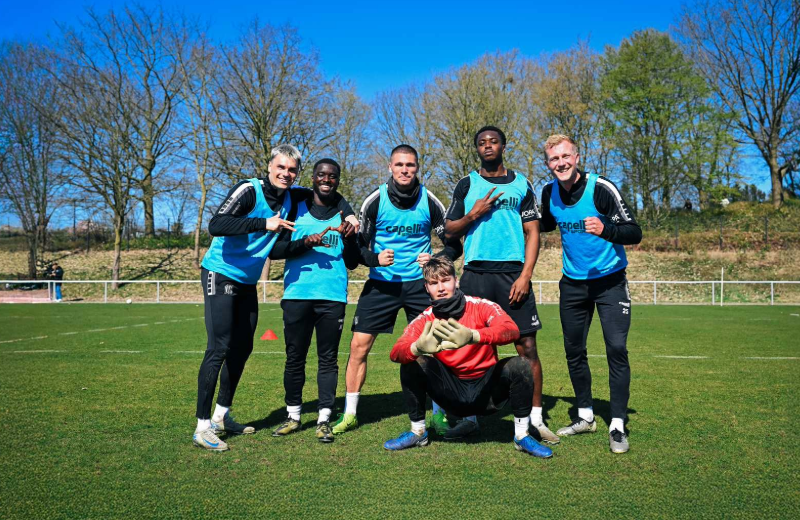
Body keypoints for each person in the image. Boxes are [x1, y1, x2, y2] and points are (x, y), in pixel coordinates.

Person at [193, 144, 356, 451]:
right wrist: (263, 223)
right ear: (269, 167)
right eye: (280, 167)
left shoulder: (293, 196)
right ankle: (202, 427)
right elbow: (216, 225)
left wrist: (349, 215)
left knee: (242, 348)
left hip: (247, 280)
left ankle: (221, 416)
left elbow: (330, 192)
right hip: (220, 272)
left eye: (292, 170)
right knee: (219, 347)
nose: (286, 174)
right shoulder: (249, 190)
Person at [331, 144, 463, 435]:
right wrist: (374, 258)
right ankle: (350, 413)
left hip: (420, 287)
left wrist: (437, 258)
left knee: (434, 348)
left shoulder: (430, 201)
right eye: (400, 165)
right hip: (381, 286)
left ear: (417, 168)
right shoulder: (375, 200)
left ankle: (438, 414)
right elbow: (356, 252)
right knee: (358, 347)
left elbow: (455, 245)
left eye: (410, 165)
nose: (405, 170)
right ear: (390, 167)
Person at [444, 126, 559, 444]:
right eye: (482, 142)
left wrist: (525, 275)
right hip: (475, 274)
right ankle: (469, 418)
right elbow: (450, 230)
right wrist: (473, 214)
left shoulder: (522, 183)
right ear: (477, 149)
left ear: (504, 147)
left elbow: (533, 232)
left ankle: (536, 420)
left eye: (493, 141)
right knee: (472, 348)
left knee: (527, 347)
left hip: (512, 275)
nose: (487, 146)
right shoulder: (467, 184)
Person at [385, 256, 553, 458]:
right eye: (434, 283)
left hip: (487, 392)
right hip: (452, 394)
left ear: (456, 281)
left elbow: (511, 329)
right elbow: (396, 351)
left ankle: (521, 435)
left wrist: (474, 336)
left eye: (446, 280)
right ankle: (418, 432)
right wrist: (417, 347)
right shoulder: (426, 318)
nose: (441, 288)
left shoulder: (481, 306)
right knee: (413, 363)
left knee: (520, 365)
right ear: (426, 288)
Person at [539, 134, 642, 454]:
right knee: (573, 350)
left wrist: (605, 229)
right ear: (548, 164)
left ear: (577, 157)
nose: (561, 163)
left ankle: (617, 424)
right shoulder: (548, 192)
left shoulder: (601, 188)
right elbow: (542, 224)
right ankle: (585, 416)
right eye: (554, 159)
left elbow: (634, 232)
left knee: (616, 348)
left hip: (610, 282)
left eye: (565, 156)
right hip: (573, 284)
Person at [268, 159, 360, 443]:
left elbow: (353, 263)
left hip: (332, 297)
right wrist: (306, 242)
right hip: (297, 296)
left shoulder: (345, 217)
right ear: (313, 177)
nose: (326, 180)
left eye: (332, 176)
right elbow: (275, 251)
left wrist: (350, 238)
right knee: (295, 358)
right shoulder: (295, 209)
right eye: (321, 175)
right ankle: (293, 416)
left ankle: (324, 419)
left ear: (338, 180)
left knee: (328, 359)